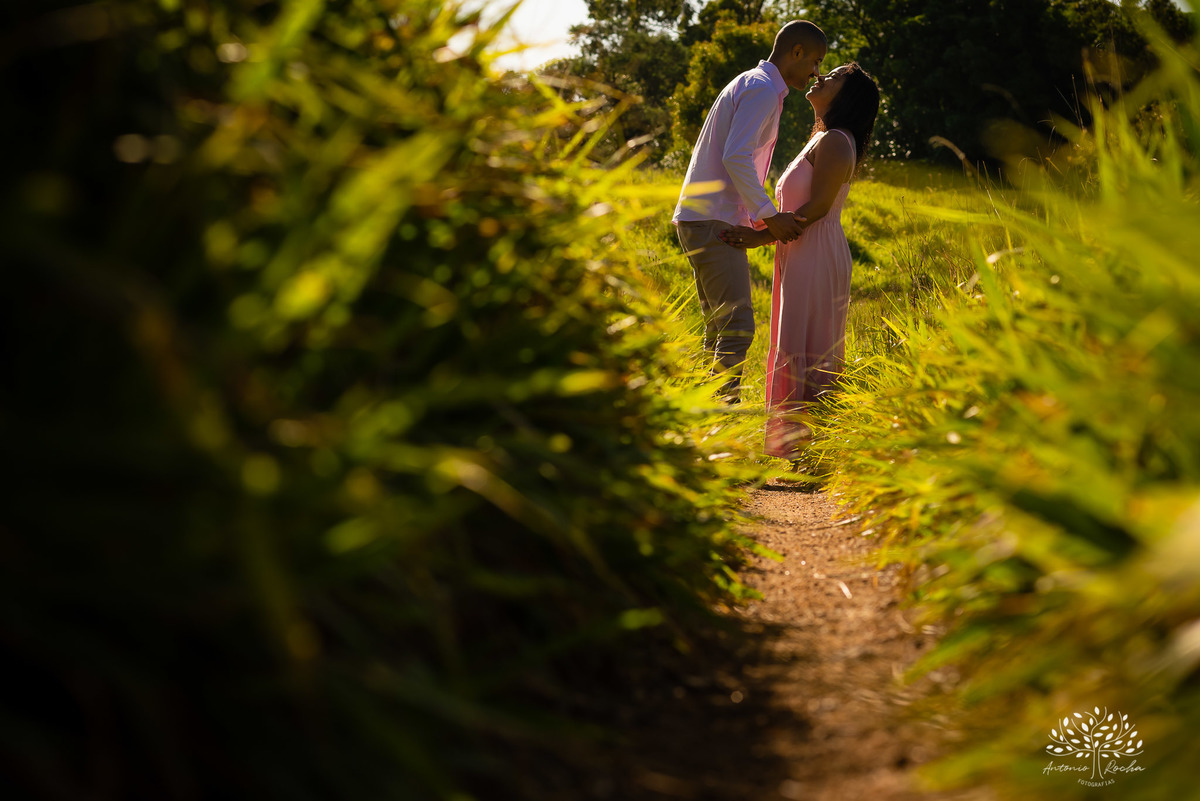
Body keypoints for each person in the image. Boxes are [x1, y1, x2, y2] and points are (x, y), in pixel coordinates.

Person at [719, 63, 881, 460]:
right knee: (796, 340)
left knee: (811, 345)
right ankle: (800, 450)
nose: (821, 77)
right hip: (798, 249)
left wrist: (760, 237)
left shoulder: (838, 141)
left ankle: (817, 451)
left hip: (816, 251)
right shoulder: (821, 138)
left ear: (847, 97)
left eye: (835, 76)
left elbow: (820, 206)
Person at [673, 21, 828, 404]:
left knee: (719, 328)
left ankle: (703, 413)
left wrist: (755, 216)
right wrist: (768, 212)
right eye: (815, 60)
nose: (816, 72)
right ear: (795, 52)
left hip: (703, 217)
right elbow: (735, 156)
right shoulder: (760, 89)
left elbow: (736, 156)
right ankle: (721, 414)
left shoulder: (753, 84)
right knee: (738, 329)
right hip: (713, 218)